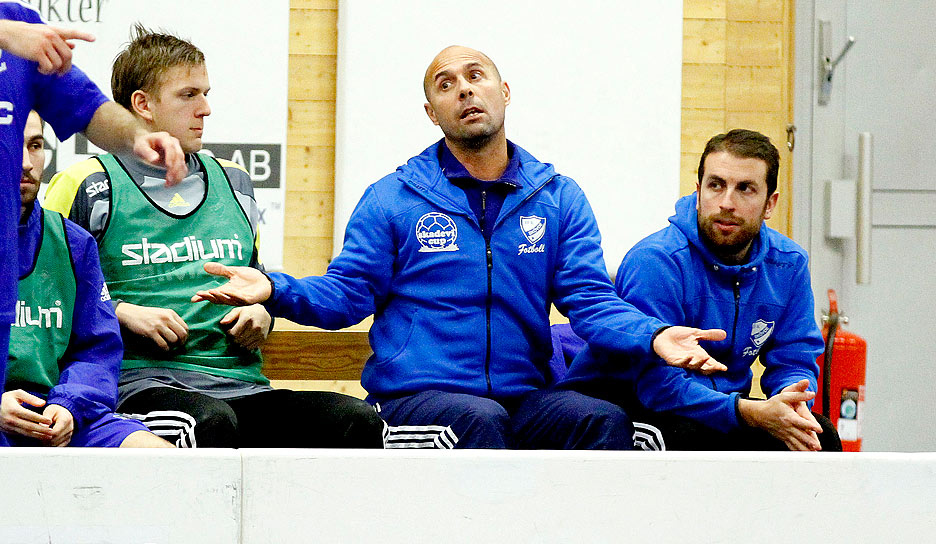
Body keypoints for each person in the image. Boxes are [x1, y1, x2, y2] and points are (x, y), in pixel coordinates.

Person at [191, 45, 728, 450]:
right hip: (418, 396)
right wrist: (273, 289)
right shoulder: (394, 198)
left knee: (599, 419)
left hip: (522, 395)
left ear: (504, 92)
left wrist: (654, 335)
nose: (465, 90)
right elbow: (347, 295)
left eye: (476, 77)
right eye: (446, 84)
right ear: (432, 112)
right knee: (478, 420)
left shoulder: (558, 196)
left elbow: (590, 300)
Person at [45, 26, 384, 449]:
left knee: (354, 421)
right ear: (143, 104)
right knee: (210, 424)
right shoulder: (87, 184)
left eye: (205, 93)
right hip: (136, 383)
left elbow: (253, 283)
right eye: (189, 95)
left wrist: (263, 315)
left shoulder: (236, 182)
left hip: (242, 384)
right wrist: (122, 312)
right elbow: (47, 299)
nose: (205, 108)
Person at [561, 129, 841, 452]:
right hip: (632, 404)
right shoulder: (655, 261)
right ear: (698, 192)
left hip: (723, 408)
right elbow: (658, 387)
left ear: (770, 204)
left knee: (819, 437)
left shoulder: (788, 265)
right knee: (689, 438)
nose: (726, 203)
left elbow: (794, 357)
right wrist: (747, 412)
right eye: (716, 185)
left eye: (745, 189)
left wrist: (793, 402)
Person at [0, 4, 184, 446]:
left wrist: (137, 137)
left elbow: (88, 107)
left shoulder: (24, 28)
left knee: (160, 460)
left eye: (36, 146)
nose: (26, 163)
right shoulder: (14, 33)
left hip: (49, 411)